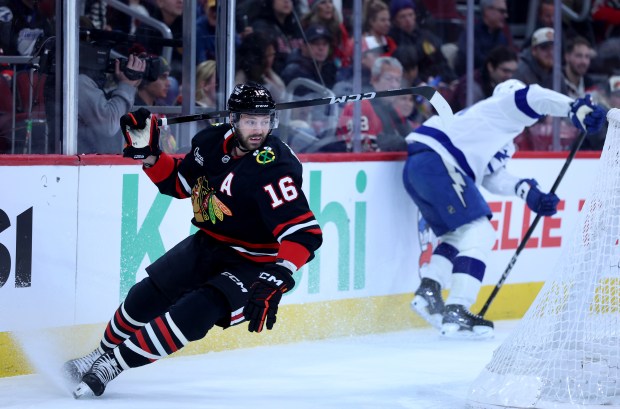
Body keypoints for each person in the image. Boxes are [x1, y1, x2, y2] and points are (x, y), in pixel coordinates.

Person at [65, 82, 323, 398]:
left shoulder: (275, 166)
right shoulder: (211, 142)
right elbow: (178, 182)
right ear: (233, 119)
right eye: (250, 120)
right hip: (209, 243)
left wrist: (279, 276)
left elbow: (303, 232)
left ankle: (112, 365)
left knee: (195, 311)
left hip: (253, 262)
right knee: (145, 296)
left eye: (264, 120)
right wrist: (149, 156)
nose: (258, 129)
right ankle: (99, 354)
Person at [403, 79, 606, 338]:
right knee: (481, 233)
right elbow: (533, 95)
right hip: (439, 163)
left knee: (457, 235)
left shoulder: (492, 133)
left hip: (420, 167)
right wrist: (574, 107)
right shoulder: (501, 108)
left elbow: (493, 177)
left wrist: (528, 192)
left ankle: (429, 292)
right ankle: (457, 308)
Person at [77, 51, 146, 154]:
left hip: (92, 164)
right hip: (78, 164)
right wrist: (127, 85)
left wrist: (130, 84)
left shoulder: (84, 81)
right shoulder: (79, 82)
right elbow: (108, 126)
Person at [454, 0, 514, 76]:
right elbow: (468, 64)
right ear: (487, 11)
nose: (506, 15)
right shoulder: (471, 34)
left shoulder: (502, 37)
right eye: (502, 11)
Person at [451, 45, 518, 112]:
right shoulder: (472, 86)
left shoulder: (503, 84)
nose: (510, 76)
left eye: (513, 71)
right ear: (490, 66)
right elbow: (471, 116)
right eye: (505, 71)